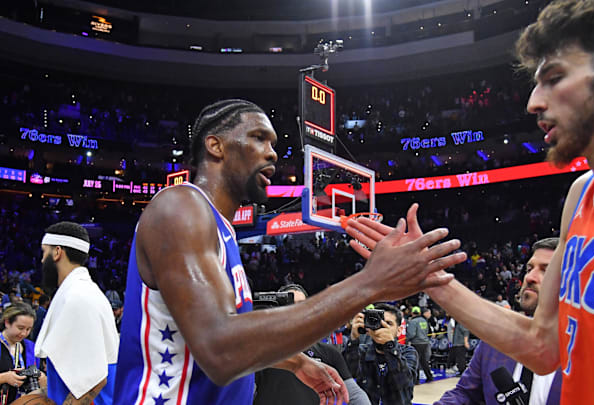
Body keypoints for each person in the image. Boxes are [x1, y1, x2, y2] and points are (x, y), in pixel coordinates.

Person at [345, 0, 594, 402]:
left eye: (554, 78)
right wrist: (430, 277)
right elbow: (543, 347)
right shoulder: (580, 195)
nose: (534, 102)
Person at [113, 99, 466, 405]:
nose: (272, 152)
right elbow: (220, 348)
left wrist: (295, 362)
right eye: (258, 138)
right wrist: (369, 284)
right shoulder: (181, 207)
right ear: (215, 146)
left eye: (274, 142)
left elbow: (229, 333)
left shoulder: (222, 230)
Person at [435, 238, 562, 405]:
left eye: (546, 271)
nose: (530, 277)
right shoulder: (494, 342)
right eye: (529, 268)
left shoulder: (592, 350)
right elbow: (465, 394)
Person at [35, 221, 119, 405]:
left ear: (57, 252)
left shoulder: (78, 297)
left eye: (44, 252)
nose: (42, 260)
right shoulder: (77, 291)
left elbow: (95, 380)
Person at [254, 284, 370, 405]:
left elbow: (355, 395)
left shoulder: (329, 352)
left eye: (301, 305)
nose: (295, 310)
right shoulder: (260, 353)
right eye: (289, 304)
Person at [344, 303, 418, 405]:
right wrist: (353, 339)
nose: (383, 328)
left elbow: (403, 382)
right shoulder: (362, 351)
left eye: (388, 324)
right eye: (379, 323)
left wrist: (390, 346)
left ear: (399, 330)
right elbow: (348, 374)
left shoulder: (408, 352)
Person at [0, 303, 45, 404]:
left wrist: (41, 377)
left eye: (28, 329)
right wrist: (4, 378)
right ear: (7, 322)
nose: (24, 333)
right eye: (20, 328)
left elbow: (42, 374)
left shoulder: (30, 347)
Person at [405, 306, 432, 383]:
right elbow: (427, 331)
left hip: (416, 343)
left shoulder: (413, 322)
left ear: (412, 313)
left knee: (415, 361)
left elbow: (411, 334)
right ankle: (429, 376)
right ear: (420, 313)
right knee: (424, 361)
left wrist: (406, 339)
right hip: (425, 342)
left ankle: (416, 379)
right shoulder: (424, 320)